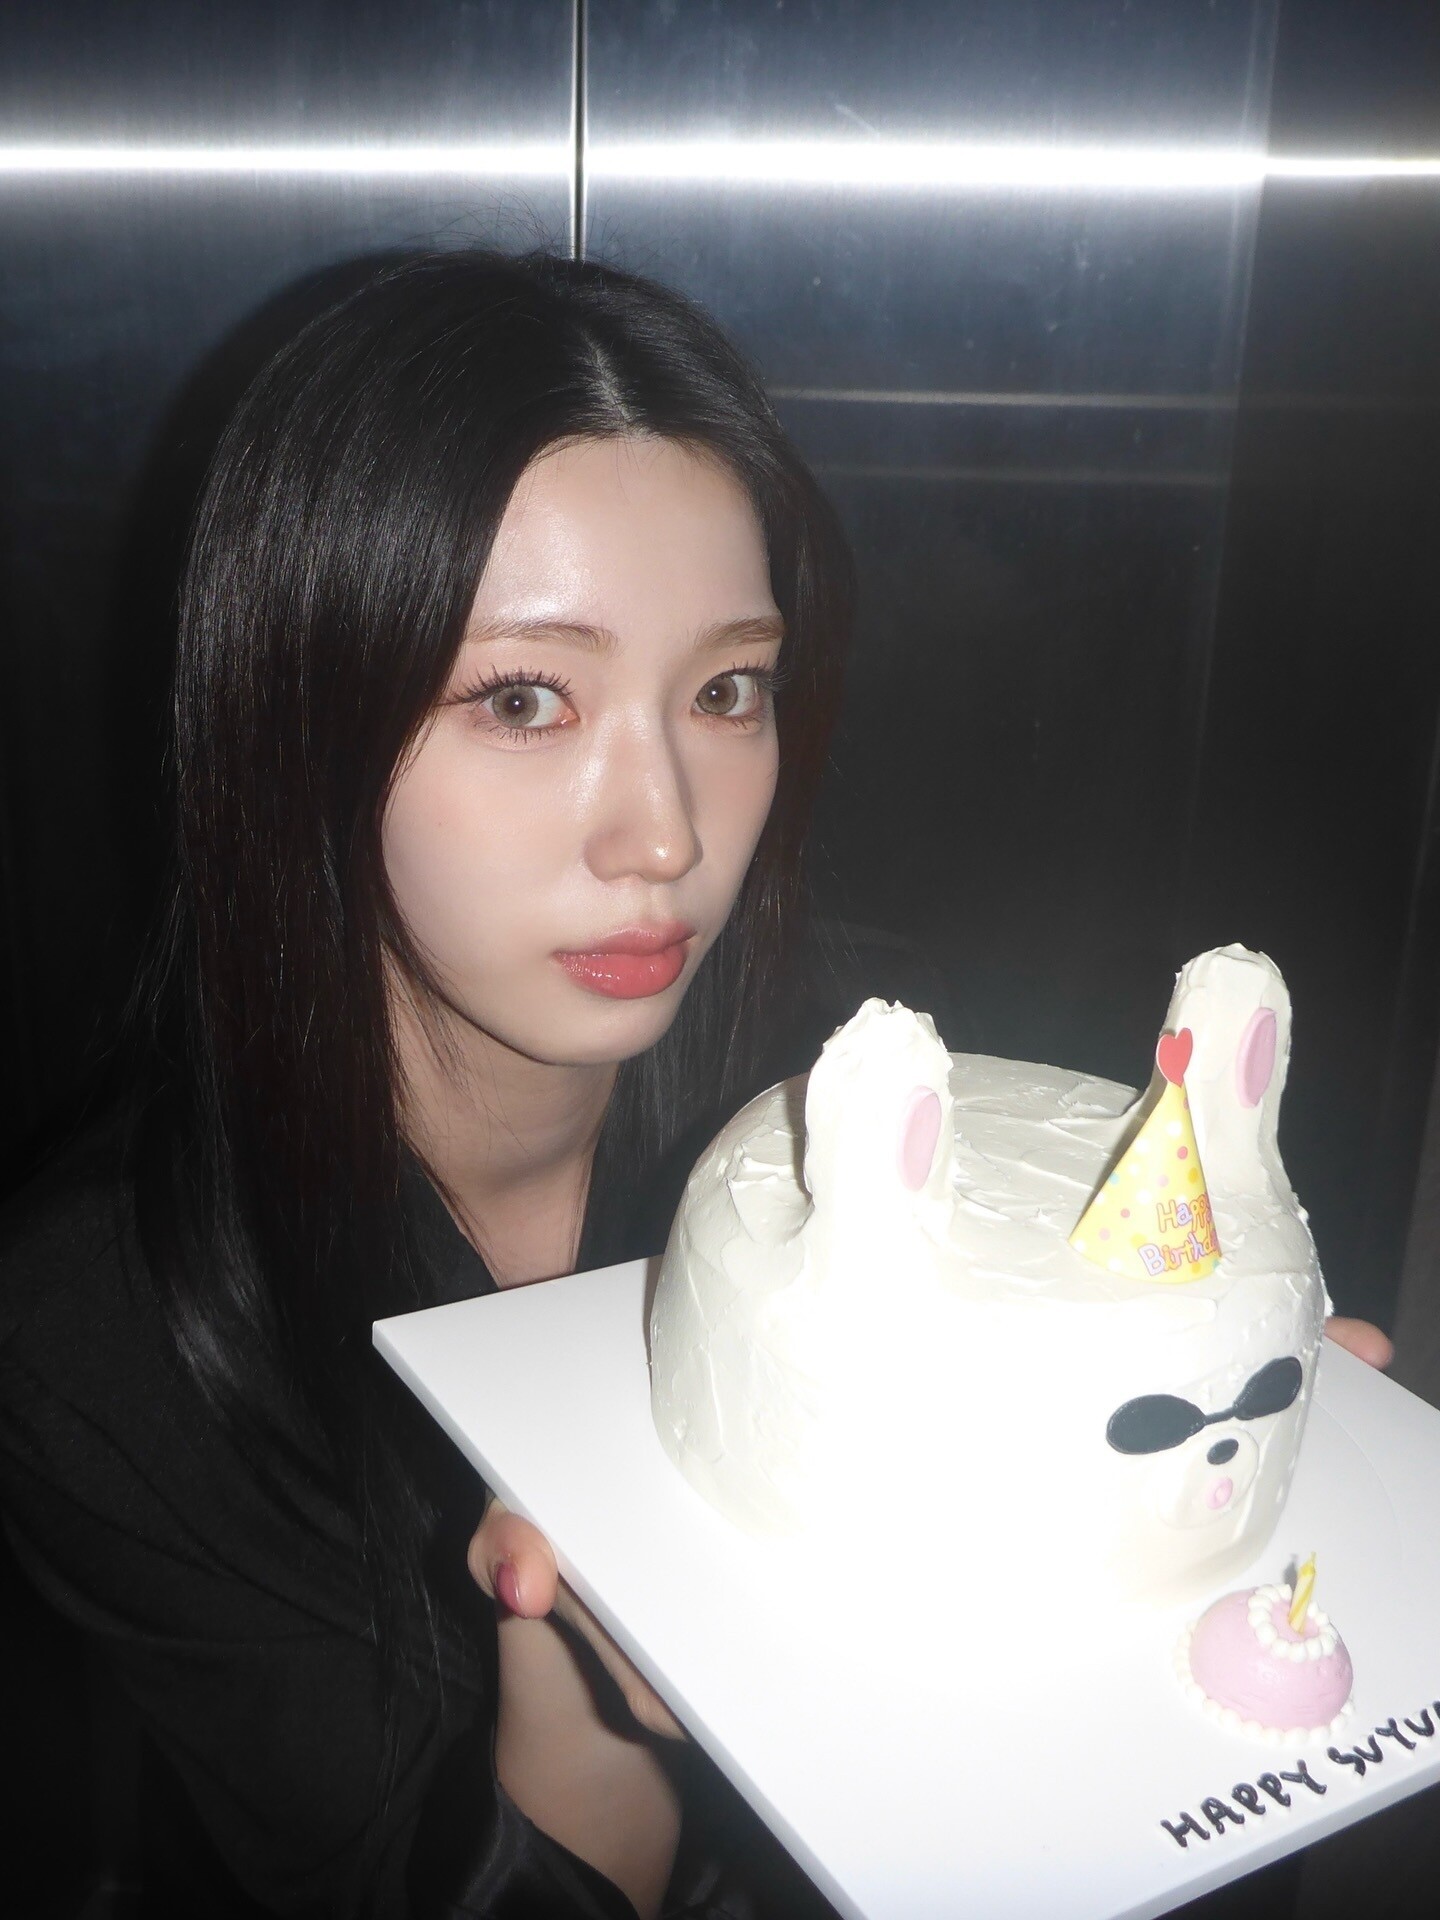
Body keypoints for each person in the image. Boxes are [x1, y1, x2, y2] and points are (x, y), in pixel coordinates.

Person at [0, 246, 1393, 1920]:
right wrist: (594, 1694)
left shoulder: (862, 1087)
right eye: (526, 699)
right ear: (292, 721)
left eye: (726, 690)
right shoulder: (112, 1330)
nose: (662, 834)